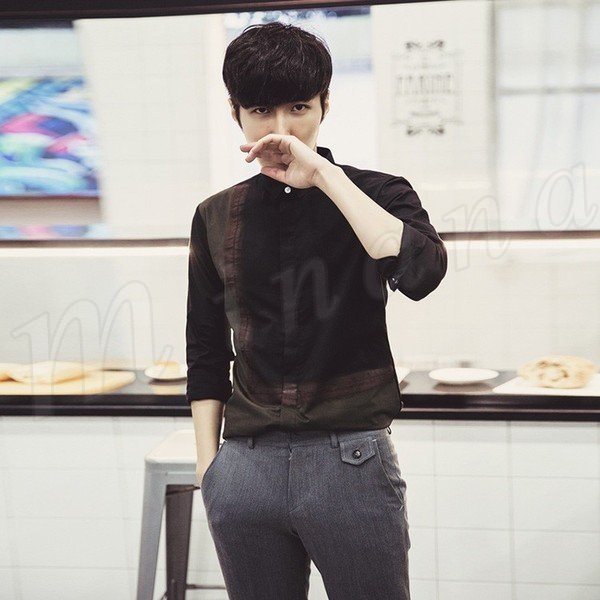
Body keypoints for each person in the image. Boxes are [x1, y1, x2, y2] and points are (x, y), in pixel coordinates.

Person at [186, 21, 447, 600]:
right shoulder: (215, 216)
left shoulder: (379, 194)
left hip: (349, 461)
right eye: (260, 111)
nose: (281, 131)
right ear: (236, 114)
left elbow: (421, 273)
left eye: (299, 108)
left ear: (326, 104)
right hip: (244, 467)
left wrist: (325, 175)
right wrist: (211, 471)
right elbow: (204, 349)